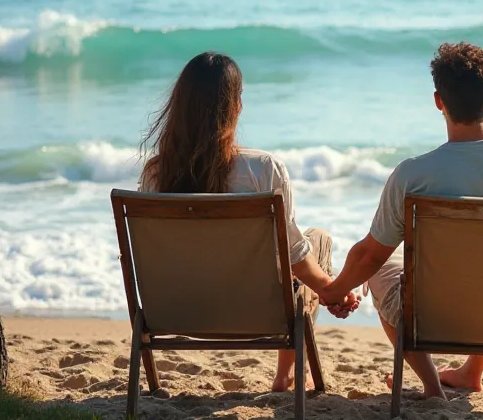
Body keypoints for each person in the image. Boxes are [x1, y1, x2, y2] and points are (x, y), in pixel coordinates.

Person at [320, 41, 483, 398]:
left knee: (380, 271)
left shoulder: (414, 175)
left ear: (438, 101)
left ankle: (432, 386)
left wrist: (333, 290)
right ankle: (470, 372)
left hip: (435, 315)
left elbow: (369, 257)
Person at [139, 51, 359, 392]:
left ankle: (289, 371)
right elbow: (297, 261)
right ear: (235, 106)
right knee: (318, 240)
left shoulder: (155, 174)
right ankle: (285, 374)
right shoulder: (263, 169)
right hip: (259, 313)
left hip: (178, 310)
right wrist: (334, 291)